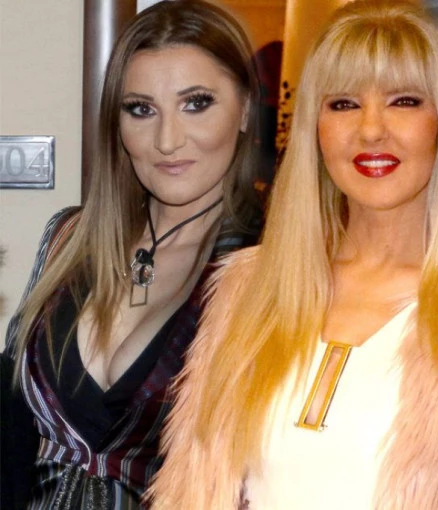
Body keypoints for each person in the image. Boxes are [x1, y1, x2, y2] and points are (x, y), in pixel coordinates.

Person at [150, 1, 438, 508]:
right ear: (314, 126)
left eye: (403, 101)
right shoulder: (248, 292)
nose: (370, 130)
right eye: (344, 104)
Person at [0, 0, 264, 507]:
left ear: (245, 109)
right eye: (141, 109)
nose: (167, 140)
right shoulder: (69, 239)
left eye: (196, 103)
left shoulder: (272, 262)